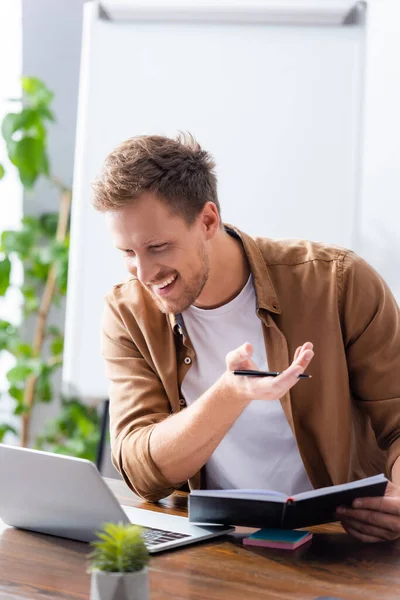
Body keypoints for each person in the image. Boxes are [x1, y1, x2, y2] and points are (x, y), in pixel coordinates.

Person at [93, 134, 400, 543]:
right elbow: (141, 470)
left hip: (340, 540)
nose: (145, 273)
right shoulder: (128, 312)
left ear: (207, 220)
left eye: (158, 247)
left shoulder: (337, 282)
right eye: (128, 253)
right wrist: (228, 395)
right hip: (215, 547)